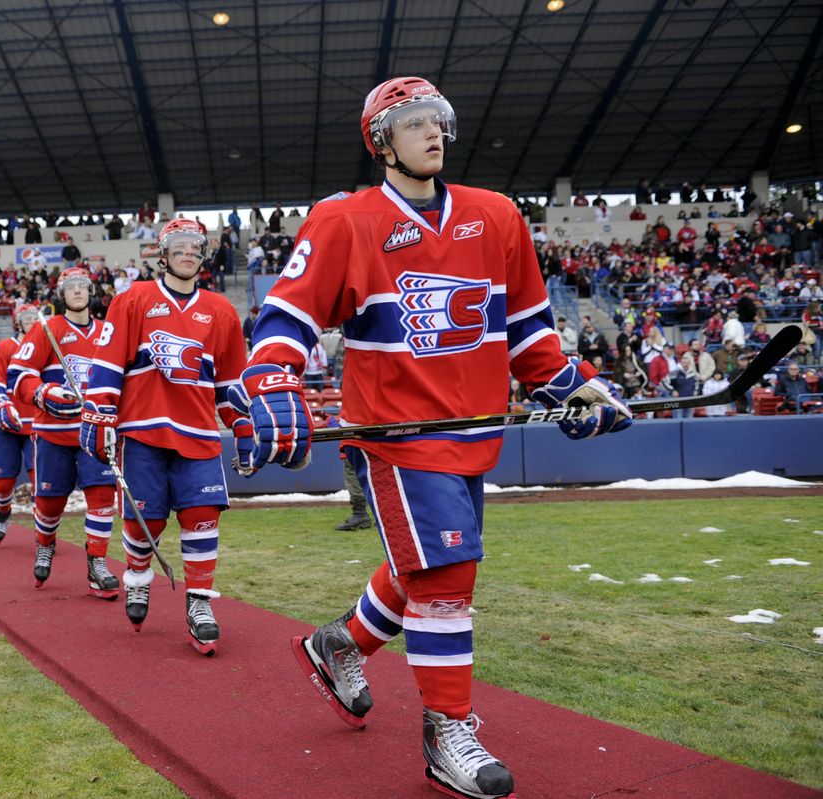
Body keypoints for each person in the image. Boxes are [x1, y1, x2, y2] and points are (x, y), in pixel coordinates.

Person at [230, 76, 631, 799]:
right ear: (382, 140)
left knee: (422, 570)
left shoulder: (497, 215)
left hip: (472, 430)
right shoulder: (345, 220)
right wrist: (272, 380)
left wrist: (571, 384)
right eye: (414, 123)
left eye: (439, 120)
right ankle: (449, 731)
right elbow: (287, 315)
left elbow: (530, 329)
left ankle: (338, 643)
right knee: (448, 580)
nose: (434, 133)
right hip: (397, 435)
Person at [79, 218, 252, 656]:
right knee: (146, 521)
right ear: (162, 251)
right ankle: (137, 578)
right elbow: (109, 364)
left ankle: (200, 606)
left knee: (202, 518)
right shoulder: (133, 299)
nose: (189, 252)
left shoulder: (222, 311)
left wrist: (245, 425)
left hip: (198, 434)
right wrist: (99, 414)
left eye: (197, 246)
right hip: (143, 432)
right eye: (179, 245)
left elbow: (230, 383)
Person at [12, 267, 118, 598]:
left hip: (94, 431)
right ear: (61, 294)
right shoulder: (48, 328)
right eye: (70, 287)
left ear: (91, 292)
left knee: (102, 498)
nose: (76, 291)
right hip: (53, 435)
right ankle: (45, 544)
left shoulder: (107, 332)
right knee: (49, 503)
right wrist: (42, 393)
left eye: (82, 286)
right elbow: (18, 373)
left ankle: (97, 563)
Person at [0, 303, 41, 545]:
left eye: (35, 317)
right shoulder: (4, 348)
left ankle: (44, 531)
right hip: (6, 423)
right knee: (4, 481)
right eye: (27, 317)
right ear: (17, 321)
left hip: (37, 424)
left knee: (41, 479)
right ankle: (3, 509)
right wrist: (0, 406)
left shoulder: (45, 348)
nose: (32, 320)